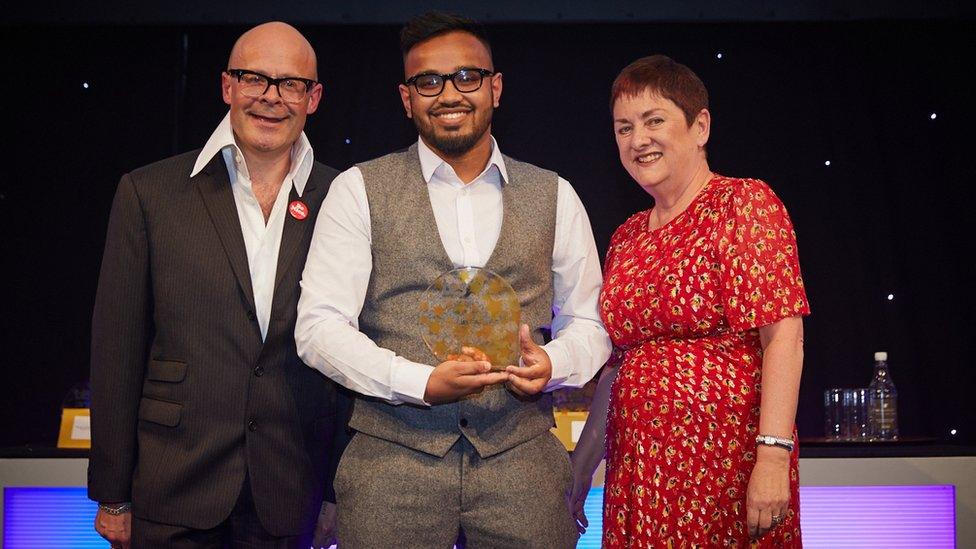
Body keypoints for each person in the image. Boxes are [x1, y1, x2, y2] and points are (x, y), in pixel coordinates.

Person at [295, 11, 611, 549]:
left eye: (467, 77)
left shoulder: (555, 193)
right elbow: (319, 327)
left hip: (522, 463)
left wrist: (553, 364)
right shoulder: (357, 189)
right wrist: (418, 384)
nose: (449, 94)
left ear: (495, 88)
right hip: (391, 464)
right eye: (428, 81)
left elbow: (592, 323)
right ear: (406, 97)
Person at [88, 22, 346, 549]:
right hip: (173, 484)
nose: (271, 98)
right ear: (227, 86)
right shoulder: (149, 192)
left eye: (290, 84)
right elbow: (117, 350)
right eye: (255, 78)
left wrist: (336, 494)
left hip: (291, 487)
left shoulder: (345, 200)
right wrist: (112, 494)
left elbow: (352, 353)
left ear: (313, 97)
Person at [568, 55, 808, 547]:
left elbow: (783, 336)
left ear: (700, 126)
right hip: (638, 475)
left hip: (724, 467)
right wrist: (581, 468)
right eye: (623, 128)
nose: (638, 140)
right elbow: (618, 365)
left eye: (654, 120)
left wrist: (772, 457)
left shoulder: (742, 204)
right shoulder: (627, 236)